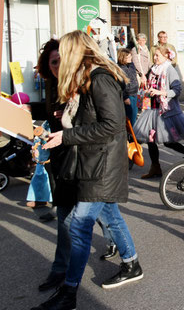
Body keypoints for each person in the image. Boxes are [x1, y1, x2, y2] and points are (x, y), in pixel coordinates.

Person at [34, 31, 143, 310]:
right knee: (110, 216)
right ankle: (131, 263)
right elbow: (92, 117)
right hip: (92, 163)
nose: (60, 62)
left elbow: (112, 125)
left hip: (102, 166)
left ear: (78, 52)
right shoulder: (87, 79)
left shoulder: (100, 79)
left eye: (65, 54)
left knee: (78, 225)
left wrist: (66, 136)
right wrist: (63, 120)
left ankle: (69, 293)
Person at [134, 46, 184, 179]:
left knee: (168, 141)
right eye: (154, 55)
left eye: (157, 55)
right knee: (150, 140)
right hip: (153, 110)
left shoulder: (169, 70)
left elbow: (177, 90)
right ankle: (155, 167)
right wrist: (147, 89)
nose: (155, 58)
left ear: (166, 56)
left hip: (167, 111)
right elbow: (152, 85)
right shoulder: (153, 69)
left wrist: (161, 92)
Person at [117, 48, 140, 126]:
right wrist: (125, 97)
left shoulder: (131, 65)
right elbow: (120, 84)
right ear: (122, 58)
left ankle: (134, 133)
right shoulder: (119, 69)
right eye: (128, 57)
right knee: (130, 116)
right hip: (128, 95)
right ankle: (130, 135)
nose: (131, 58)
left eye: (131, 56)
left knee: (135, 114)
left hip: (136, 93)